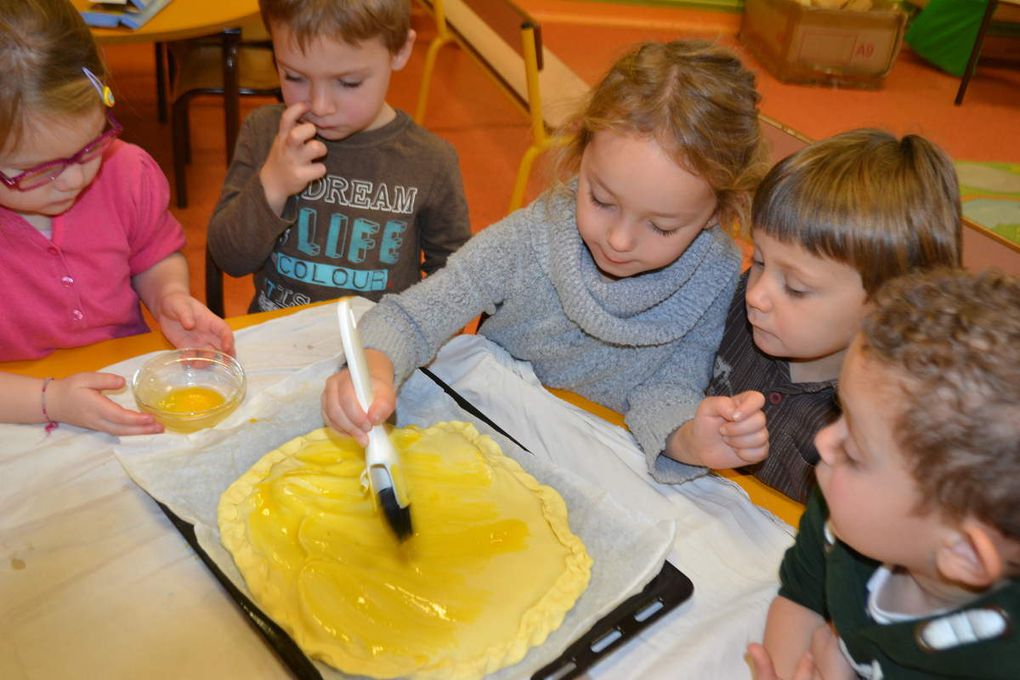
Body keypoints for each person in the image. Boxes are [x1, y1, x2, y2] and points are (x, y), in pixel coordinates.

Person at [322, 39, 770, 467]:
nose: (618, 240)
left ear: (718, 213)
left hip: (598, 461)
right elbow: (414, 316)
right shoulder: (535, 234)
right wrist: (375, 367)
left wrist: (688, 438)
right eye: (601, 200)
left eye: (660, 225)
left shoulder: (714, 273)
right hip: (491, 432)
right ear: (580, 155)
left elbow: (669, 387)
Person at [659, 129, 961, 501]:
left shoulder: (885, 419)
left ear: (888, 308)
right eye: (760, 261)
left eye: (796, 288)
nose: (756, 295)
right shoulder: (738, 303)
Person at [747, 268, 1020, 680]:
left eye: (854, 453)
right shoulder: (841, 515)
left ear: (963, 552)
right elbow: (801, 595)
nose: (824, 442)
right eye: (840, 415)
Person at [0, 0, 233, 435]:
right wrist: (49, 401)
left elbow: (152, 254)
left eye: (90, 145)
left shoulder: (126, 171)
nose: (72, 179)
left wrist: (169, 297)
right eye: (37, 171)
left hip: (123, 386)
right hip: (18, 411)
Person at [207, 0, 471, 313]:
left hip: (380, 352)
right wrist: (272, 187)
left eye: (348, 82)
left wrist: (407, 341)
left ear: (399, 50)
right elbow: (230, 259)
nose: (320, 106)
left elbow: (455, 276)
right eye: (294, 76)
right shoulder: (266, 133)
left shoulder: (431, 161)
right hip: (277, 341)